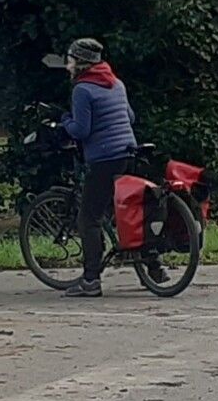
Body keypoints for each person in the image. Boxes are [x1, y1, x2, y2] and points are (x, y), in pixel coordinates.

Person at [57, 38, 163, 296]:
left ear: (80, 63)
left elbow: (82, 130)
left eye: (70, 60)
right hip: (128, 152)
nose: (68, 65)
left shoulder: (82, 90)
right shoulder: (116, 83)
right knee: (130, 213)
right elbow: (130, 117)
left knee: (88, 218)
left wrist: (65, 121)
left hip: (104, 159)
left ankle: (91, 280)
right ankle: (154, 266)